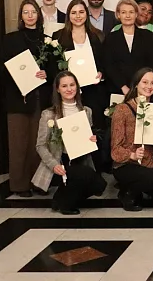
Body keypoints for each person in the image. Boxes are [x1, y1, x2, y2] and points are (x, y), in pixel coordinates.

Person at [32, 71, 106, 214]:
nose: (69, 89)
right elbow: (40, 145)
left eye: (72, 85)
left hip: (81, 159)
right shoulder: (49, 114)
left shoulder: (86, 111)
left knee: (100, 186)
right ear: (58, 89)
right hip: (60, 162)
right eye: (64, 86)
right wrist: (54, 165)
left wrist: (92, 139)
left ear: (77, 87)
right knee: (84, 177)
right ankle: (66, 204)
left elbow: (88, 138)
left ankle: (60, 197)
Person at [110, 68, 153, 211]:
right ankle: (128, 192)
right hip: (126, 165)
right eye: (145, 82)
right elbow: (115, 150)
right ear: (136, 84)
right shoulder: (122, 110)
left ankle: (140, 189)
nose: (149, 86)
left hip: (149, 163)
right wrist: (132, 155)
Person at [1, 0, 51, 197]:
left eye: (33, 12)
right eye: (26, 12)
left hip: (40, 97)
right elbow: (2, 69)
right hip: (18, 97)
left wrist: (46, 74)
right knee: (19, 142)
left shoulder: (47, 39)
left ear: (39, 15)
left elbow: (55, 68)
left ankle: (38, 182)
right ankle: (20, 184)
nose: (30, 15)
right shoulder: (10, 39)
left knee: (38, 142)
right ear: (21, 16)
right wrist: (19, 80)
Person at [51, 0, 106, 130]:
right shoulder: (58, 36)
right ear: (68, 16)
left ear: (86, 14)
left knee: (92, 128)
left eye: (81, 12)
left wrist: (101, 73)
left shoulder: (96, 35)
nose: (78, 16)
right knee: (72, 130)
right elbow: (53, 65)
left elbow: (103, 61)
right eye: (74, 12)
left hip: (93, 90)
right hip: (68, 92)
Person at [102, 0, 153, 96]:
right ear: (118, 15)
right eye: (124, 12)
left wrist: (142, 85)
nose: (128, 16)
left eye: (131, 12)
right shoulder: (111, 38)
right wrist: (123, 87)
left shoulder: (147, 35)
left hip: (144, 89)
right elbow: (109, 65)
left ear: (136, 14)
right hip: (118, 90)